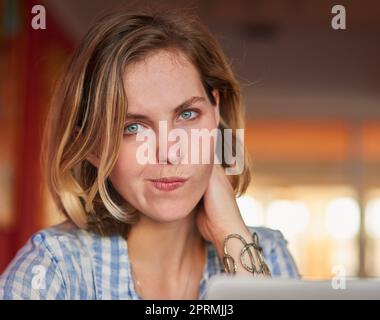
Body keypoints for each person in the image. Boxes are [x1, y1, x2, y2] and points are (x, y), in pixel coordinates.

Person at [0, 9, 298, 300]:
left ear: (215, 112)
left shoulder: (266, 252)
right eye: (132, 127)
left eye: (188, 114)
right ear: (91, 147)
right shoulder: (54, 268)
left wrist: (230, 235)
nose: (168, 152)